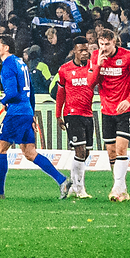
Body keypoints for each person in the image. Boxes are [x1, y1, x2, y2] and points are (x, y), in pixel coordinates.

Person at [0, 26, 69, 199]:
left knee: (0, 148)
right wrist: (31, 114)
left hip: (15, 113)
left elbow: (13, 93)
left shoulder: (7, 65)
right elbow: (31, 90)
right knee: (30, 152)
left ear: (6, 47)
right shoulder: (21, 63)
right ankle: (62, 181)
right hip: (26, 111)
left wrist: (2, 100)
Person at [92, 27, 130, 202]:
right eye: (101, 44)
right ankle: (121, 188)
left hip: (125, 110)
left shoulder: (127, 56)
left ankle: (117, 187)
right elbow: (91, 83)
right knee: (111, 152)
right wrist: (98, 65)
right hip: (107, 110)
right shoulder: (96, 57)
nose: (104, 48)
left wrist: (129, 100)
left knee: (122, 148)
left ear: (114, 42)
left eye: (107, 44)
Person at [52, 40, 97, 198]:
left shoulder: (93, 67)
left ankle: (72, 185)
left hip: (88, 114)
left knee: (86, 153)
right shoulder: (64, 69)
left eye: (87, 50)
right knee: (80, 150)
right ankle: (80, 188)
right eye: (81, 50)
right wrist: (59, 115)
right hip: (72, 113)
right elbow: (60, 93)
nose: (85, 53)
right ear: (74, 52)